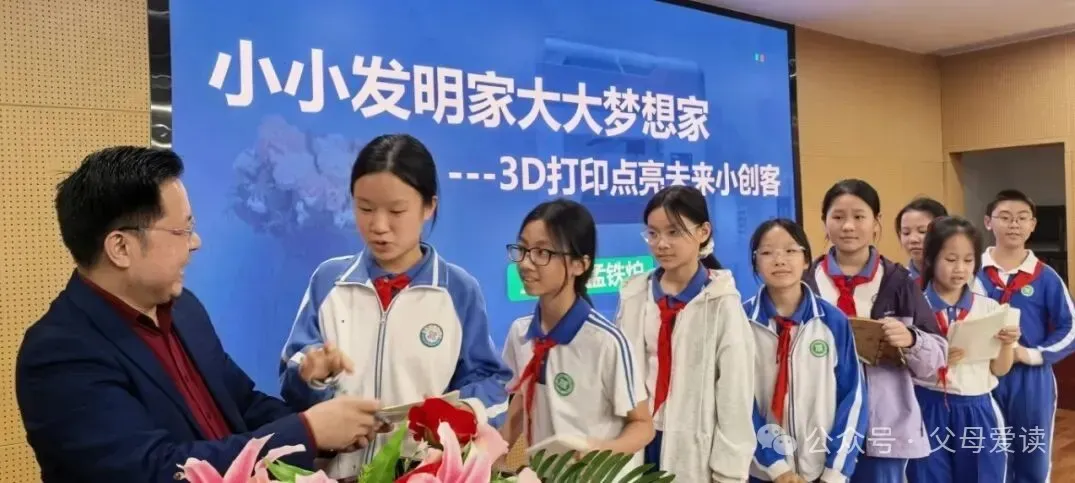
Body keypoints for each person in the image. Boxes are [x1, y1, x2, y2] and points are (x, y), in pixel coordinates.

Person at [15, 146, 383, 482]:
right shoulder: (60, 353)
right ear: (121, 248)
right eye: (183, 230)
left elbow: (244, 404)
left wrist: (332, 428)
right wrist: (308, 432)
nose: (195, 242)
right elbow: (152, 470)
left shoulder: (184, 308)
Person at [279, 134, 511, 478]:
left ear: (429, 207)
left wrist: (460, 413)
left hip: (420, 473)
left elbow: (491, 381)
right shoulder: (329, 281)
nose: (378, 226)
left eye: (396, 211)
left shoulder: (458, 290)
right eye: (365, 208)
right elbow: (292, 377)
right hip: (334, 472)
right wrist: (311, 374)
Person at [803, 179, 947, 483]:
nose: (848, 226)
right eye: (838, 216)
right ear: (824, 221)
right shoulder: (806, 283)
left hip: (882, 431)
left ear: (876, 222)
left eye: (859, 216)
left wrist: (912, 340)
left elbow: (937, 359)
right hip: (818, 428)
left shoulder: (899, 282)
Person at [500, 199, 653, 475]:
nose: (526, 263)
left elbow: (643, 425)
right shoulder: (520, 333)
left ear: (580, 264)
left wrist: (599, 451)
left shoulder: (606, 342)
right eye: (522, 249)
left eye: (542, 252)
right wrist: (496, 460)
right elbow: (520, 404)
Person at [614, 186, 756, 481]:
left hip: (693, 450)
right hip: (637, 438)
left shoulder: (722, 303)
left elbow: (734, 398)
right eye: (653, 234)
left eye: (674, 232)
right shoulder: (634, 295)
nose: (661, 244)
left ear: (703, 232)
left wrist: (729, 474)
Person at [745, 218, 867, 483]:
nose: (780, 260)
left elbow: (853, 397)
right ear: (755, 263)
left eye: (790, 250)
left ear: (806, 260)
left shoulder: (833, 321)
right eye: (767, 252)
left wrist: (835, 472)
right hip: (762, 472)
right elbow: (737, 401)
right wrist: (776, 468)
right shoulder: (741, 322)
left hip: (822, 470)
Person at [972, 189, 1075, 482]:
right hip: (980, 375)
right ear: (988, 222)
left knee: (1032, 453)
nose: (1014, 224)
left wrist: (1032, 354)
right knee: (985, 452)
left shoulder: (1045, 276)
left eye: (1022, 218)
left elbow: (1073, 327)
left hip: (1030, 380)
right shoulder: (970, 271)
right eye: (1005, 217)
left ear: (1032, 225)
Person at [906, 216, 1019, 483]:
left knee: (983, 476)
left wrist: (1006, 343)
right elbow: (900, 366)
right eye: (950, 259)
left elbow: (1000, 369)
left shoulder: (989, 308)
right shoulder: (913, 308)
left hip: (977, 407)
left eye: (968, 261)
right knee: (927, 477)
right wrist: (935, 358)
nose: (960, 269)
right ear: (930, 259)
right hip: (927, 406)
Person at [895, 197, 948, 286]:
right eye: (906, 233)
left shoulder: (965, 278)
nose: (913, 239)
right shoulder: (896, 283)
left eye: (922, 231)